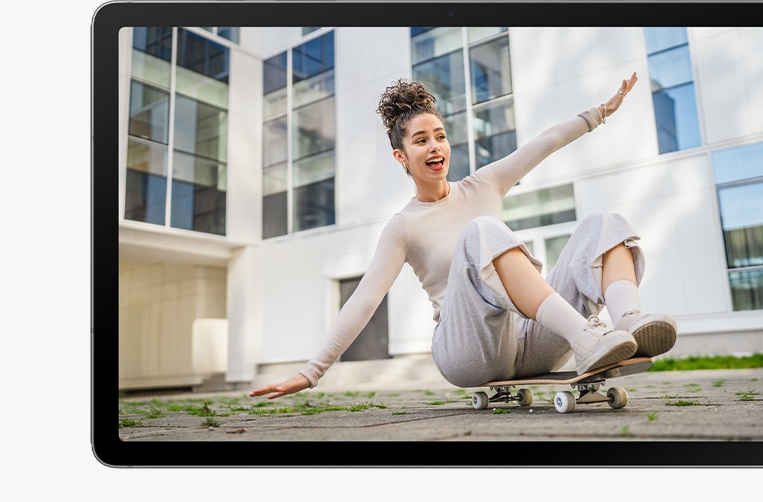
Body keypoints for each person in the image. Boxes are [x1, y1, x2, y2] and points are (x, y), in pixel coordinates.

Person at [249, 73, 676, 400]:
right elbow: (364, 299)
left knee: (602, 223)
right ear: (402, 156)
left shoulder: (484, 185)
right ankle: (588, 338)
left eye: (440, 136)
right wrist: (312, 371)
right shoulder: (403, 226)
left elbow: (544, 143)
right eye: (421, 141)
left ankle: (628, 325)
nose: (435, 146)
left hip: (530, 340)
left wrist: (602, 111)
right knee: (483, 231)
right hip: (467, 351)